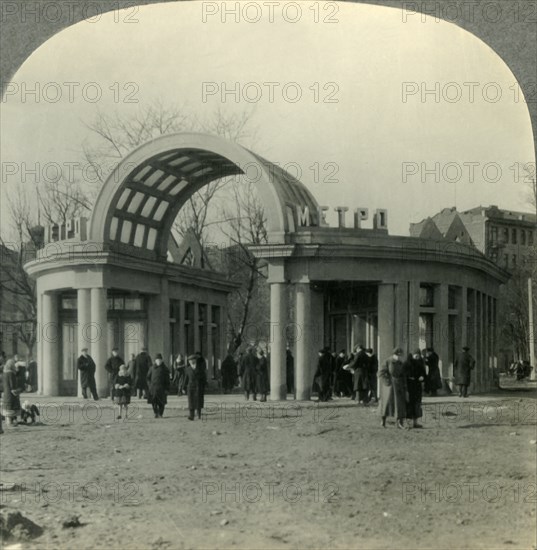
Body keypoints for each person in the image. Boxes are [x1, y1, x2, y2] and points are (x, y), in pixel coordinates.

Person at [379, 348, 408, 429]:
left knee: (399, 404)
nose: (398, 357)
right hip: (389, 387)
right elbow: (381, 373)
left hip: (399, 386)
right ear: (393, 354)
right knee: (387, 403)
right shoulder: (387, 361)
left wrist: (404, 385)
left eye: (400, 355)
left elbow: (403, 375)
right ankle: (383, 420)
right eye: (397, 355)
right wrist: (387, 381)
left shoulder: (400, 363)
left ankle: (399, 423)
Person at [404, 350, 426, 428]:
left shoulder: (420, 364)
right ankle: (409, 423)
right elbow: (404, 375)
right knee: (409, 405)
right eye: (415, 355)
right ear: (412, 355)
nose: (417, 357)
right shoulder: (406, 363)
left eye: (418, 356)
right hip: (409, 387)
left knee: (417, 404)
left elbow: (423, 373)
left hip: (417, 387)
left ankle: (415, 422)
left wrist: (422, 377)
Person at [147, 353, 170, 418]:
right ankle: (155, 412)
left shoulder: (165, 369)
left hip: (162, 388)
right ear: (155, 361)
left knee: (161, 402)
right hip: (153, 388)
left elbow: (167, 380)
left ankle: (160, 413)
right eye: (157, 360)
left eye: (160, 360)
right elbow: (148, 378)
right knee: (153, 402)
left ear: (162, 360)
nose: (158, 361)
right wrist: (150, 385)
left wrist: (167, 389)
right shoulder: (152, 368)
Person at [185, 354, 207, 420]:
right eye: (190, 360)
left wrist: (204, 385)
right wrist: (183, 387)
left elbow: (204, 378)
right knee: (191, 401)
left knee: (198, 401)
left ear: (196, 360)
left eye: (193, 360)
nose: (192, 361)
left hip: (198, 387)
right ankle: (191, 416)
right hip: (190, 387)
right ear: (189, 362)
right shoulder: (188, 369)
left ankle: (199, 414)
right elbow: (186, 379)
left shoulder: (200, 368)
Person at [2, 359, 22, 427]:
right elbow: (12, 386)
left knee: (8, 408)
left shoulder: (4, 373)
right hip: (11, 394)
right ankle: (10, 423)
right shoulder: (11, 373)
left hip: (6, 393)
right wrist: (18, 391)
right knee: (11, 408)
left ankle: (8, 421)